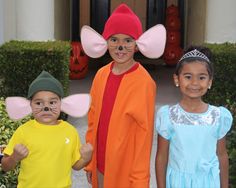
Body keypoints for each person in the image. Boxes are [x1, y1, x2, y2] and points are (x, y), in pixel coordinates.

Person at [80, 3, 166, 188]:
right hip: (101, 164)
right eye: (114, 39)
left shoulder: (143, 82)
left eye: (128, 40)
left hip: (126, 171)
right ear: (106, 42)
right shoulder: (101, 75)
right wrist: (90, 163)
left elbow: (144, 136)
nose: (120, 46)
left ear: (137, 44)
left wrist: (140, 180)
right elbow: (93, 120)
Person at [155, 45, 233, 188]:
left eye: (201, 77)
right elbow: (161, 156)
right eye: (188, 76)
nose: (194, 83)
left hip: (208, 183)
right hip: (178, 183)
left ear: (209, 81)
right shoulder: (168, 116)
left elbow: (221, 155)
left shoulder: (217, 117)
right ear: (177, 79)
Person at [1, 71, 93, 188]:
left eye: (52, 102)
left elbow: (75, 165)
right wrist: (15, 157)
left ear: (61, 103)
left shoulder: (70, 131)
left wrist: (86, 158)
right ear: (30, 105)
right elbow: (5, 166)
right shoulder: (23, 131)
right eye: (39, 102)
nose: (46, 107)